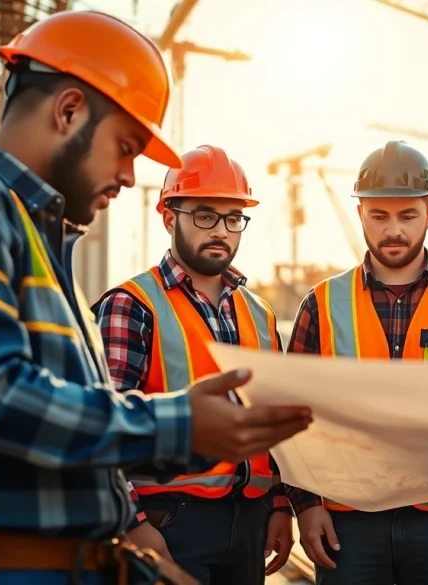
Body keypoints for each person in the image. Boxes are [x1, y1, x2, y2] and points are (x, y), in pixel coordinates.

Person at [0, 11, 311, 585]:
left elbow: (70, 437)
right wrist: (178, 425)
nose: (131, 176)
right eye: (126, 147)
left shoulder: (38, 244)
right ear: (69, 111)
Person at [286, 141, 428, 585]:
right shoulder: (322, 303)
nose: (394, 230)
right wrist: (306, 504)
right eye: (379, 216)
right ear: (360, 215)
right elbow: (293, 416)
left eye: (407, 215)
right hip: (346, 525)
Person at [94, 145, 293, 584]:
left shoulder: (259, 312)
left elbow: (271, 420)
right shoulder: (132, 305)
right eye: (204, 214)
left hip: (249, 522)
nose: (220, 230)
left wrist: (280, 505)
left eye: (233, 217)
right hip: (168, 523)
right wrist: (134, 524)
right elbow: (102, 430)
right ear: (170, 217)